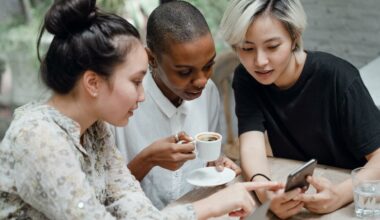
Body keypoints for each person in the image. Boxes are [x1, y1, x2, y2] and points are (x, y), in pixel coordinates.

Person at [0, 0, 283, 219]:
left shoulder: (95, 130)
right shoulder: (38, 137)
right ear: (93, 82)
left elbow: (133, 208)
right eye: (136, 81)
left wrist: (220, 201)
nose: (143, 94)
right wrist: (209, 206)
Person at [219, 0, 380, 219]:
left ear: (294, 37)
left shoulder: (338, 77)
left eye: (272, 46)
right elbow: (251, 146)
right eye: (247, 48)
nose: (260, 61)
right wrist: (265, 193)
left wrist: (339, 195)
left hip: (359, 200)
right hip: (299, 194)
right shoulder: (246, 78)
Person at [113, 1, 241, 209]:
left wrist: (217, 163)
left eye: (208, 66)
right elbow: (104, 196)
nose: (201, 80)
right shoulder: (122, 105)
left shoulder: (208, 93)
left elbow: (209, 162)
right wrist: (148, 159)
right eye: (184, 72)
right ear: (151, 59)